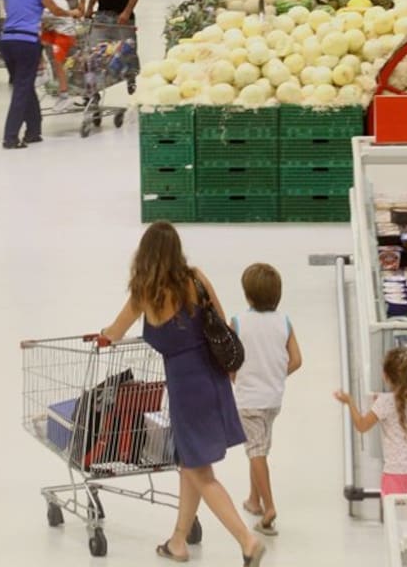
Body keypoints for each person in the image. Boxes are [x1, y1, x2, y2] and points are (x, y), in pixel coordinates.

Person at [98, 222, 267, 567]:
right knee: (190, 464)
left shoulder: (145, 293)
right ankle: (178, 541)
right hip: (214, 379)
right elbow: (222, 323)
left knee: (201, 473)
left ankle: (247, 542)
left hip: (186, 390)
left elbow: (114, 332)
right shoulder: (196, 279)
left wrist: (103, 335)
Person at [231, 263, 303, 537]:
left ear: (247, 295)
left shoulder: (238, 322)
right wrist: (275, 375)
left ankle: (269, 507)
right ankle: (254, 499)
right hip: (273, 399)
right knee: (260, 448)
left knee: (256, 451)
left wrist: (235, 377)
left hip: (249, 399)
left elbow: (229, 359)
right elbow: (296, 360)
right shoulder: (284, 321)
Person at [0, 0, 80, 148]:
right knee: (22, 89)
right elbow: (55, 10)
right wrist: (73, 12)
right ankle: (10, 136)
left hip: (7, 40)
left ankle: (34, 130)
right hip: (27, 42)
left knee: (24, 85)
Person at [334, 348, 407, 498]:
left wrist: (350, 402)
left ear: (386, 376)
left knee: (392, 510)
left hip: (396, 470)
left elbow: (362, 425)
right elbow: (400, 405)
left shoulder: (384, 403)